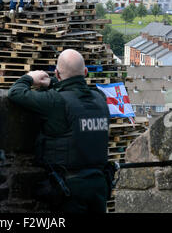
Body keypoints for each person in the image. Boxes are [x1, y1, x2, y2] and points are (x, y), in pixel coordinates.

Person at [8, 49, 110, 213]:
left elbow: (15, 92)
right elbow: (78, 89)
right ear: (85, 72)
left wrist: (30, 78)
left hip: (69, 187)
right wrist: (57, 81)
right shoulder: (100, 99)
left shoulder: (56, 101)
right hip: (99, 184)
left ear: (57, 73)